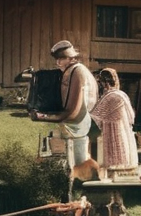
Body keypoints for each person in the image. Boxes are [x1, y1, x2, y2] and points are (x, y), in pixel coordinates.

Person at [31, 40, 98, 174]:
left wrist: (43, 116)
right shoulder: (76, 70)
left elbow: (72, 112)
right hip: (77, 128)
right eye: (57, 59)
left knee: (78, 169)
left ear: (71, 58)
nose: (58, 63)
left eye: (61, 59)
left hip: (77, 128)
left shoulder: (77, 72)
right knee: (74, 169)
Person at [89, 69, 139, 177]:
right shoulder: (122, 95)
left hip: (112, 132)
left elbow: (95, 116)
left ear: (104, 83)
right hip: (124, 131)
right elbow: (131, 116)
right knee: (122, 157)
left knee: (114, 161)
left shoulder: (109, 97)